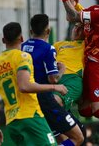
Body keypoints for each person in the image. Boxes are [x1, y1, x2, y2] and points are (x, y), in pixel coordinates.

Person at [0, 22, 67, 145]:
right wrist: (56, 87)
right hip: (30, 116)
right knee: (76, 138)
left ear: (3, 40)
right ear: (22, 39)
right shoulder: (23, 56)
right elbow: (24, 86)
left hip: (12, 121)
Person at [22, 14, 84, 146]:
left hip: (26, 101)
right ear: (48, 31)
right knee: (78, 137)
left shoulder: (22, 47)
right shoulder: (49, 48)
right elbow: (53, 79)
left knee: (59, 136)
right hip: (46, 100)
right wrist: (61, 69)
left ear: (31, 31)